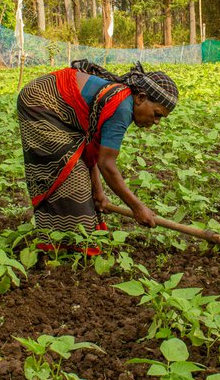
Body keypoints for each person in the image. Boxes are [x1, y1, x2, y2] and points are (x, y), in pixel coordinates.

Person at [16, 60, 178, 249]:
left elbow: (91, 151)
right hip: (40, 102)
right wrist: (137, 207)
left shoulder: (121, 101)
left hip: (53, 102)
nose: (156, 122)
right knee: (68, 175)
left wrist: (98, 192)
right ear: (141, 97)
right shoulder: (122, 108)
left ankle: (65, 238)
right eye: (156, 114)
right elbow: (106, 165)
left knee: (79, 176)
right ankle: (62, 243)